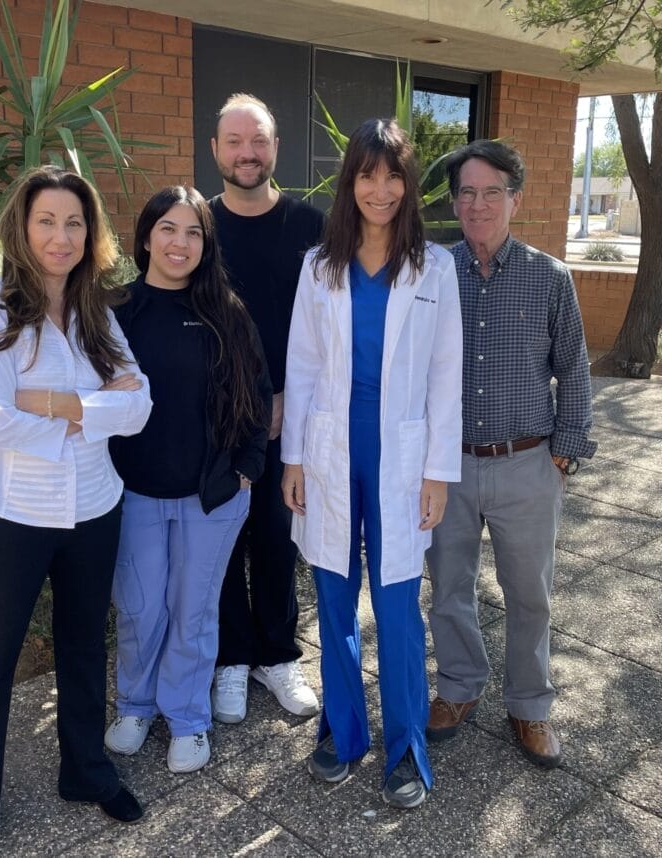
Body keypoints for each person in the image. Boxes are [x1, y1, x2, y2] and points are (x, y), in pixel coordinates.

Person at [0, 166, 153, 858]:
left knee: (86, 645)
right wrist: (94, 410)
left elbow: (140, 405)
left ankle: (85, 773)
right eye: (47, 221)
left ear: (92, 235)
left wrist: (55, 403)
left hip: (93, 507)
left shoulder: (98, 314)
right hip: (14, 514)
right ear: (23, 230)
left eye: (75, 222)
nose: (62, 236)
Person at [281, 118, 463, 809]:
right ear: (348, 181)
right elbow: (300, 366)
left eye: (393, 176)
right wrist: (293, 456)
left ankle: (407, 747)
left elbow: (445, 376)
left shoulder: (433, 267)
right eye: (367, 174)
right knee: (331, 600)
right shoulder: (319, 264)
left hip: (403, 456)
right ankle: (343, 729)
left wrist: (438, 471)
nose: (379, 189)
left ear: (409, 184)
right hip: (331, 452)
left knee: (396, 606)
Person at [425, 140, 596, 768]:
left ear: (515, 199)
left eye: (491, 191)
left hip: (528, 461)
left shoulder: (549, 276)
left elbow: (574, 370)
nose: (477, 204)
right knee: (449, 586)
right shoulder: (433, 272)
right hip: (449, 466)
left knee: (530, 593)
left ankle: (530, 706)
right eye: (465, 192)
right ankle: (459, 687)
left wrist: (566, 451)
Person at [104, 186, 272, 773]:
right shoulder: (113, 310)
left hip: (212, 495)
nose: (180, 243)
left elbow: (255, 397)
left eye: (194, 232)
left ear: (206, 243)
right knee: (141, 608)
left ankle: (188, 718)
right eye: (169, 229)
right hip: (132, 494)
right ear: (146, 235)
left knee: (194, 609)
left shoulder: (226, 311)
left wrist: (249, 469)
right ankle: (135, 704)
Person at [208, 93, 325, 723]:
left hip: (290, 418)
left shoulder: (312, 226)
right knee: (222, 539)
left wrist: (287, 399)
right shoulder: (194, 224)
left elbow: (328, 326)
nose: (247, 153)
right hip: (216, 420)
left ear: (275, 148)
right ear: (216, 151)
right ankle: (230, 657)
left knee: (281, 539)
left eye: (258, 141)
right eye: (235, 142)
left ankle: (278, 655)